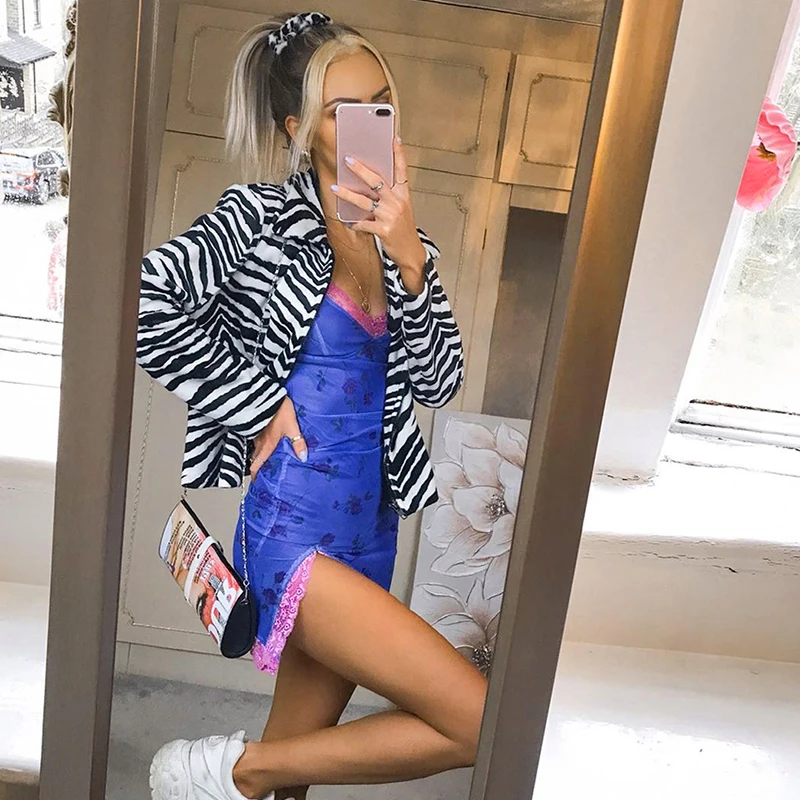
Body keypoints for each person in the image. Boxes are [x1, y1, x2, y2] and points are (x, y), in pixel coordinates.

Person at [141, 11, 487, 800]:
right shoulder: (260, 218)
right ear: (301, 129)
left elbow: (439, 383)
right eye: (342, 111)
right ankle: (232, 771)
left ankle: (252, 778)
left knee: (298, 769)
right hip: (294, 529)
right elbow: (147, 302)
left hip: (372, 531)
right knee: (475, 720)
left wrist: (411, 263)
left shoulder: (406, 240)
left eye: (380, 102)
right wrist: (258, 401)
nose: (370, 123)